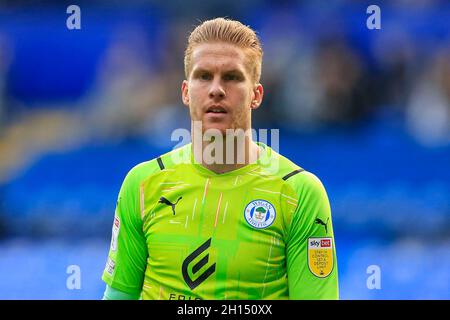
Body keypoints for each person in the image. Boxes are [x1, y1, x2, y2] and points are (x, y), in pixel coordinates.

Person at [101, 17, 338, 300]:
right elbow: (119, 295)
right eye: (203, 76)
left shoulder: (299, 193)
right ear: (186, 92)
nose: (216, 89)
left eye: (232, 77)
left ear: (256, 94)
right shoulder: (142, 185)